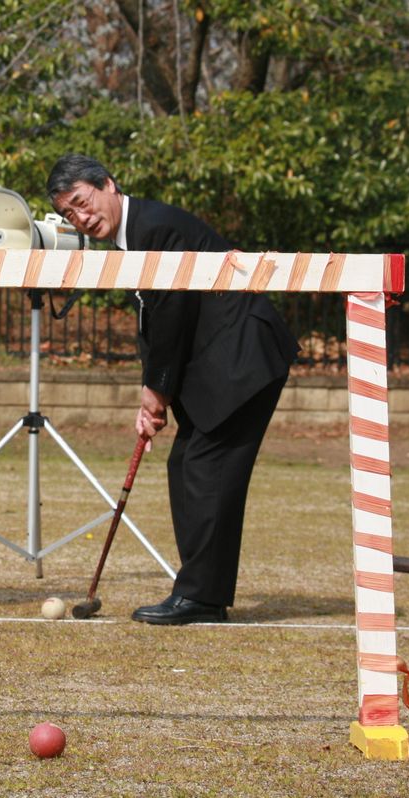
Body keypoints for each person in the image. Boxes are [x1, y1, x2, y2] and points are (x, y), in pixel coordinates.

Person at [46, 154, 299, 625]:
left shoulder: (155, 228)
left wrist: (155, 392)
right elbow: (155, 320)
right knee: (189, 465)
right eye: (69, 214)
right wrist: (155, 392)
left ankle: (202, 598)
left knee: (205, 469)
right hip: (222, 361)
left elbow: (171, 313)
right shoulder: (132, 238)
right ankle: (203, 592)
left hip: (243, 356)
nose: (81, 218)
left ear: (108, 184)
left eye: (82, 202)